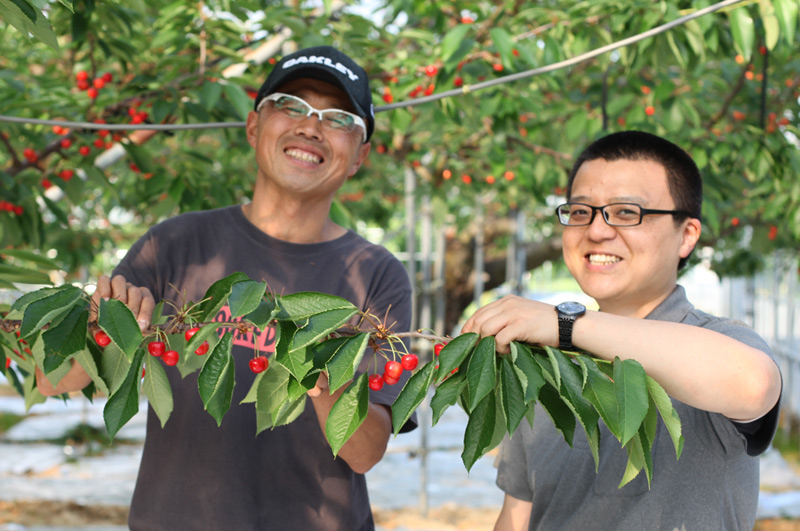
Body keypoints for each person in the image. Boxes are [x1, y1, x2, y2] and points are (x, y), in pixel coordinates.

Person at [36, 45, 416, 530]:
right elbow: (53, 380)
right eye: (292, 106)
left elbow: (366, 452)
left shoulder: (378, 274)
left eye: (338, 118)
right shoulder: (173, 245)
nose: (311, 126)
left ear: (360, 154)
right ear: (254, 127)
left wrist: (322, 375)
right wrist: (98, 326)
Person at [462, 130, 782, 531]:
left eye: (627, 212)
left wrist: (567, 323)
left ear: (687, 236)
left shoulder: (719, 342)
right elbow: (516, 515)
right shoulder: (540, 364)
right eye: (580, 212)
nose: (596, 231)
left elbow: (752, 384)